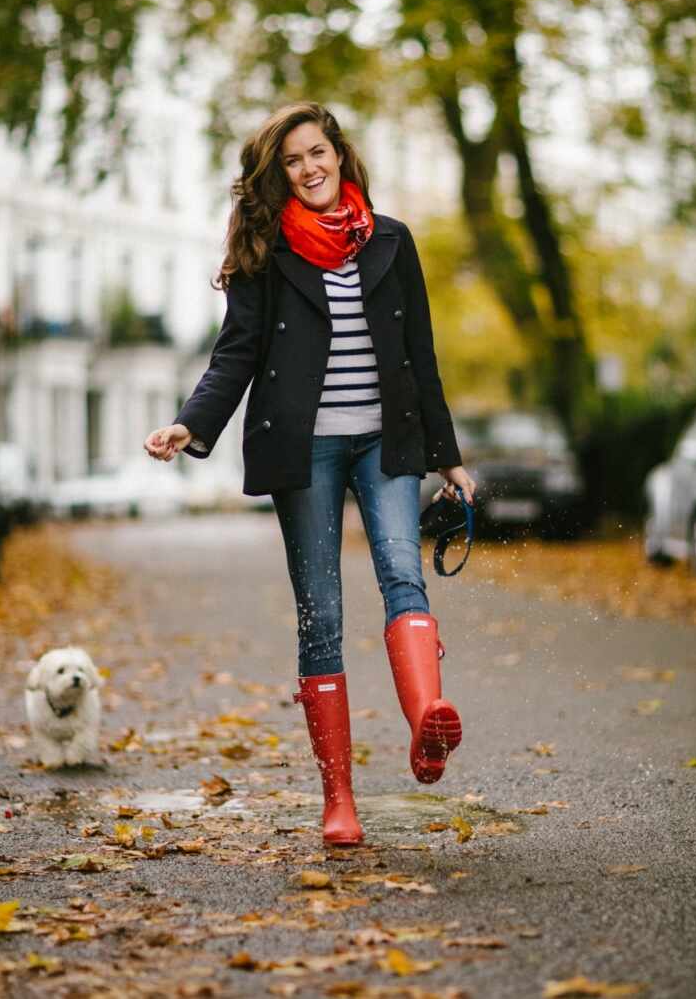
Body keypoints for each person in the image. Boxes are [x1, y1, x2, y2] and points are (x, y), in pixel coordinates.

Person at [144, 103, 475, 847]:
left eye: (318, 152)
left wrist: (447, 456)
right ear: (280, 174)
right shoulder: (267, 254)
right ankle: (339, 799)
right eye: (293, 161)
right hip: (306, 449)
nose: (309, 168)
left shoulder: (391, 240)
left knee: (401, 571)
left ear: (340, 155)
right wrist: (190, 423)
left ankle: (428, 718)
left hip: (389, 442)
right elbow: (235, 354)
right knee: (320, 613)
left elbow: (420, 355)